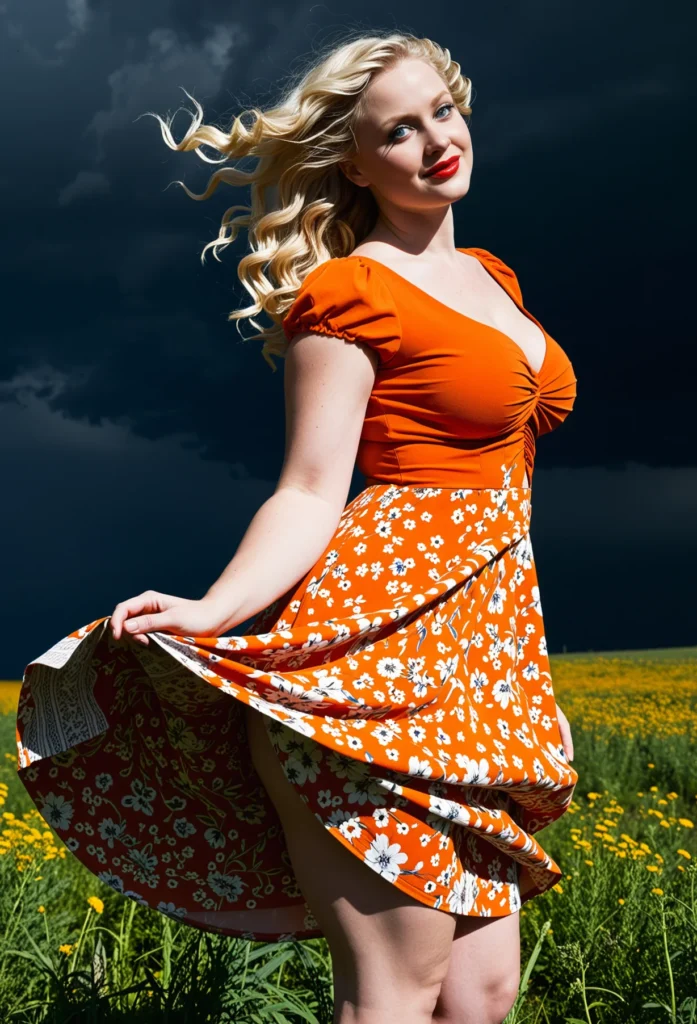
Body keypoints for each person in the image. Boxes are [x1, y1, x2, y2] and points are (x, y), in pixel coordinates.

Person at [17, 32, 578, 1024]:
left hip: (480, 666)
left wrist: (527, 684)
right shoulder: (351, 294)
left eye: (439, 113)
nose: (433, 142)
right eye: (396, 132)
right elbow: (310, 490)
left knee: (481, 995)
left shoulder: (496, 279)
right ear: (352, 164)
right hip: (371, 678)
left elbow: (507, 506)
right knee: (392, 998)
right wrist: (216, 606)